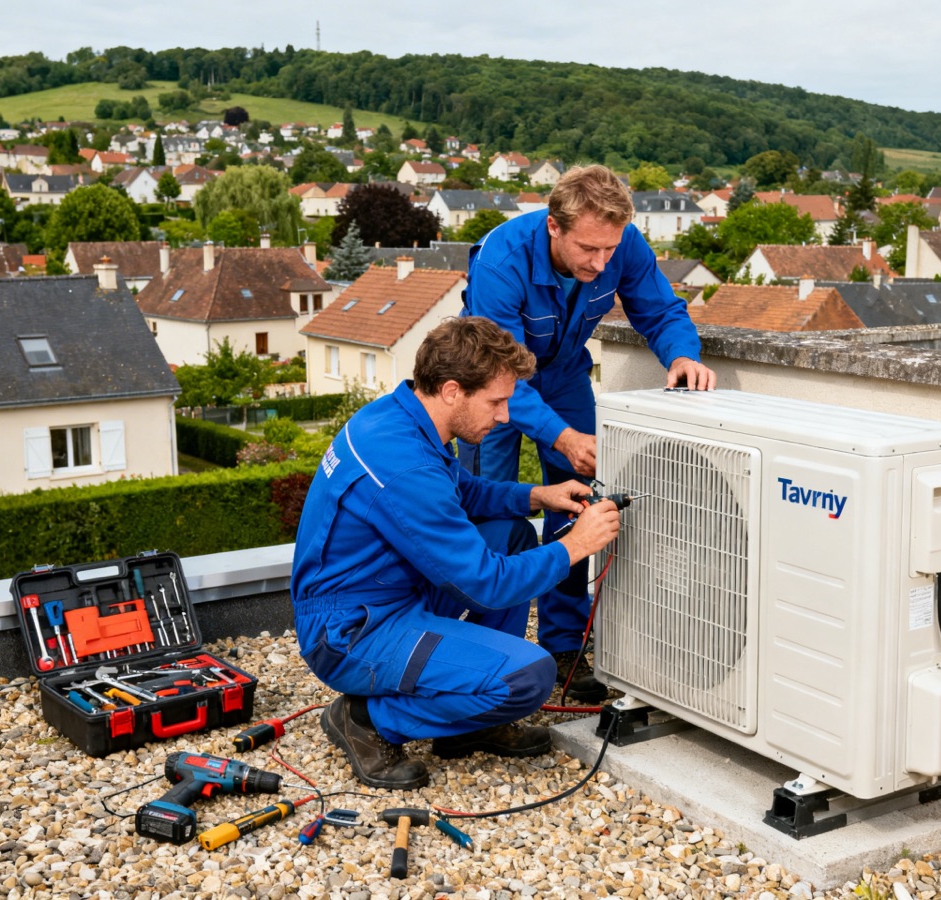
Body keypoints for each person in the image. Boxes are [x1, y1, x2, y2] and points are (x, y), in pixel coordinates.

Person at [291, 316, 621, 789]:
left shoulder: (400, 417)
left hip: (388, 592)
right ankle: (365, 719)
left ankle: (469, 723)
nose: (505, 417)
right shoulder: (403, 465)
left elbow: (460, 490)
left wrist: (536, 496)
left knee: (511, 534)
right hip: (351, 632)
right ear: (452, 391)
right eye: (496, 402)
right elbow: (486, 584)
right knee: (529, 676)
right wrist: (575, 545)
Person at [461, 164, 717, 699]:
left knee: (577, 503)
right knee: (491, 510)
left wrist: (682, 355)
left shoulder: (621, 243)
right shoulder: (501, 259)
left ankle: (563, 644)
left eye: (610, 250)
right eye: (589, 250)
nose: (602, 263)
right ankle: (487, 651)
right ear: (554, 226)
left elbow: (660, 310)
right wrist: (561, 437)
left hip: (564, 378)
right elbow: (500, 371)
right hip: (493, 386)